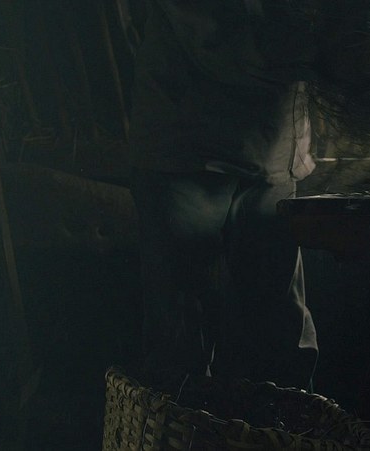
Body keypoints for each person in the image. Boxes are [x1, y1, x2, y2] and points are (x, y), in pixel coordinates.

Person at [128, 0, 318, 390]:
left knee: (280, 331)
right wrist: (324, 39)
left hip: (271, 151)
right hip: (188, 152)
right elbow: (214, 33)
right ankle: (184, 422)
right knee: (182, 341)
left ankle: (285, 422)